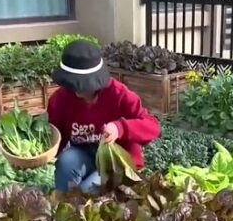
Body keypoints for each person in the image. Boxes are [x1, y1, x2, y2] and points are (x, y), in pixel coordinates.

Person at [48, 40, 160, 193]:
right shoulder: (60, 99)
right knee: (66, 162)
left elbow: (152, 127)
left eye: (81, 85)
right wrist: (40, 154)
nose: (76, 91)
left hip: (116, 161)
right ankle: (60, 204)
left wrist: (119, 128)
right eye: (71, 84)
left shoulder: (119, 95)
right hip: (84, 155)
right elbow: (57, 136)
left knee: (88, 191)